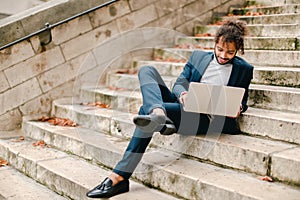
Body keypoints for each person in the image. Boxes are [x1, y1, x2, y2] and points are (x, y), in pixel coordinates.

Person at [86, 19, 254, 198]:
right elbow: (180, 83)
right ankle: (159, 113)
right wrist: (183, 94)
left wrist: (239, 108)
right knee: (146, 70)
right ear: (215, 43)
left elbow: (243, 100)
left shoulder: (244, 69)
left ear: (238, 50)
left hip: (206, 119)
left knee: (145, 110)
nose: (223, 55)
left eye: (230, 52)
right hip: (183, 105)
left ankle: (120, 175)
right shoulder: (198, 57)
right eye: (220, 49)